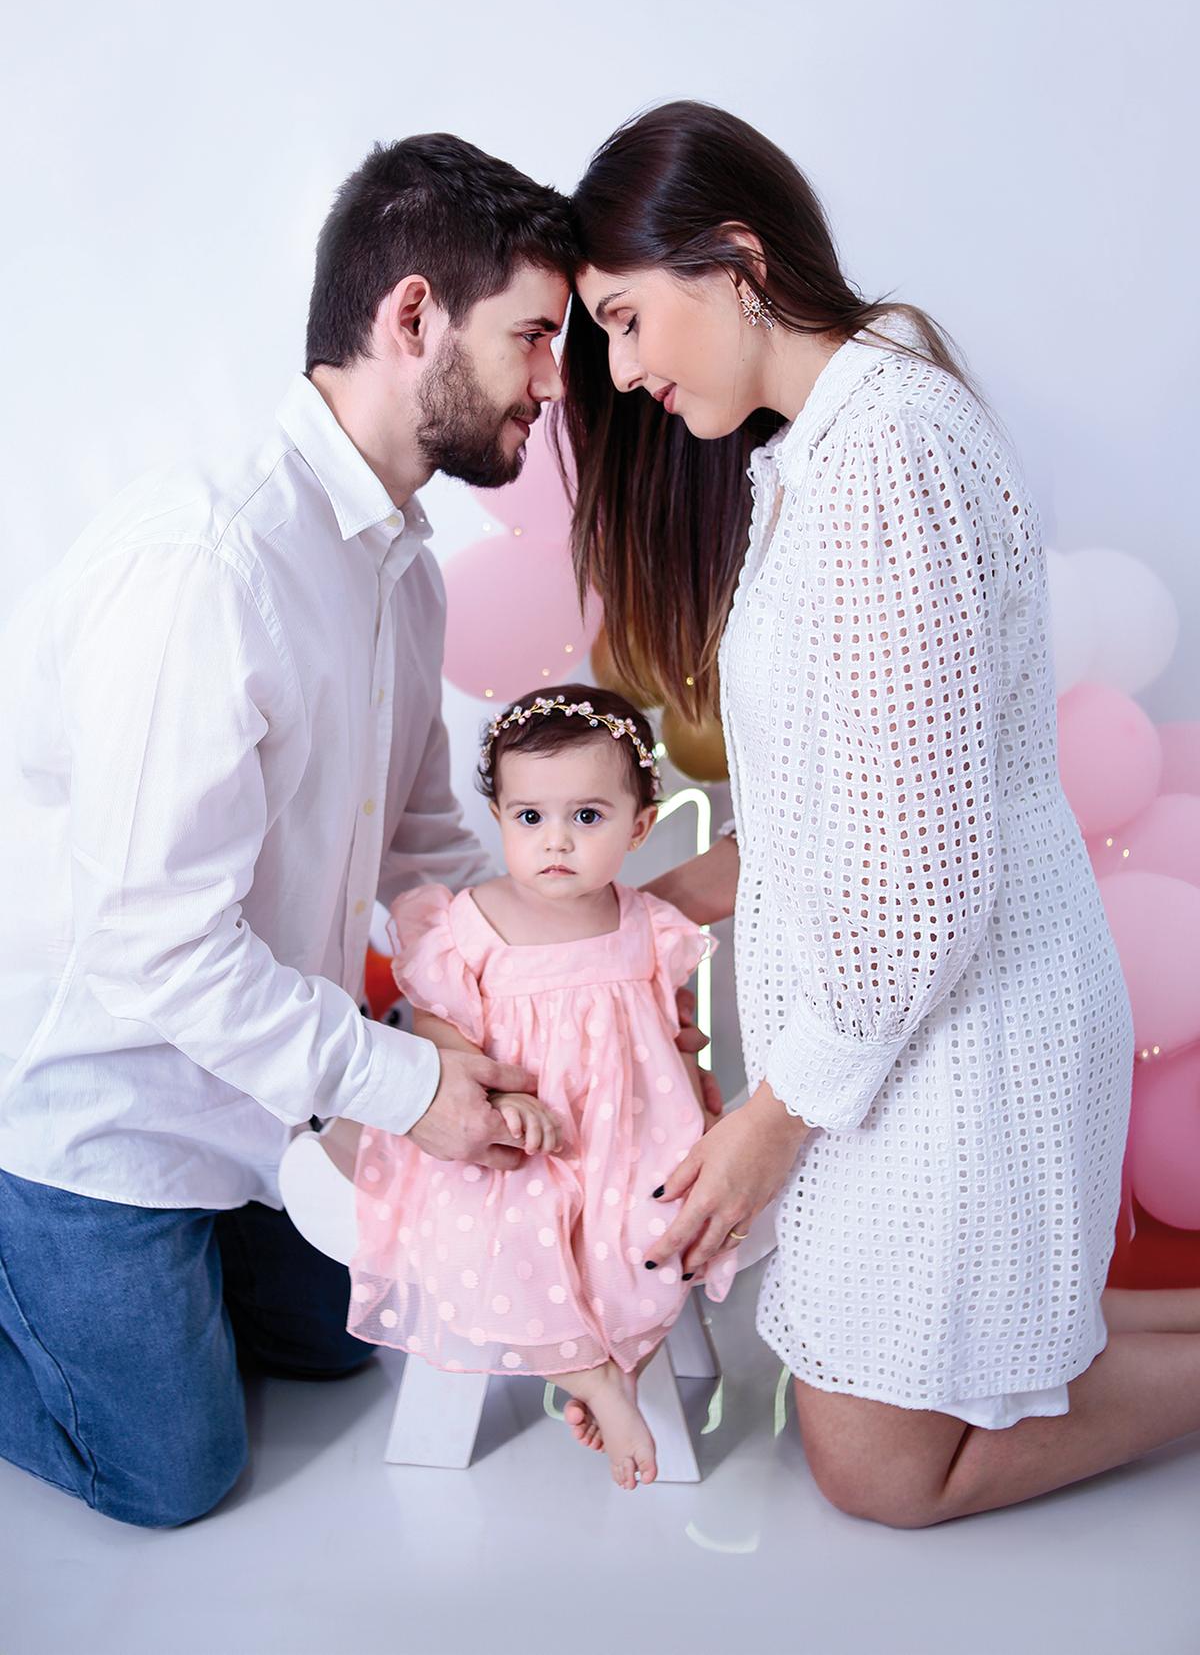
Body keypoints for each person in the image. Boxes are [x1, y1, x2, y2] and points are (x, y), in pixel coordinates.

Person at [0, 134, 706, 1528]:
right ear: (409, 319)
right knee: (174, 1473)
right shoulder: (208, 566)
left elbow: (427, 846)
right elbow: (160, 952)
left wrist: (511, 1005)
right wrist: (405, 1084)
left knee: (345, 1340)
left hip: (263, 1096)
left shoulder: (399, 569)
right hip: (98, 1106)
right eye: (534, 337)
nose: (557, 384)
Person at [555, 98, 1200, 1528]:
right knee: (892, 1401)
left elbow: (917, 891)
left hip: (962, 1019)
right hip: (902, 1022)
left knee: (874, 1469)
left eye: (626, 318)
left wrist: (776, 1117)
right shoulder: (819, 451)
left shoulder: (886, 452)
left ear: (734, 258)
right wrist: (637, 909)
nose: (622, 365)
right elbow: (831, 817)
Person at [341, 683, 736, 1490]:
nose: (555, 840)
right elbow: (441, 1033)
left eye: (586, 818)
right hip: (513, 1143)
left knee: (651, 1228)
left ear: (638, 827)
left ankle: (619, 1355)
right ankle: (592, 1375)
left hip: (625, 1138)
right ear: (501, 821)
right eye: (530, 818)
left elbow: (668, 1039)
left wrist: (692, 1093)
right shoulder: (465, 923)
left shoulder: (648, 925)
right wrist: (502, 1101)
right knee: (510, 1217)